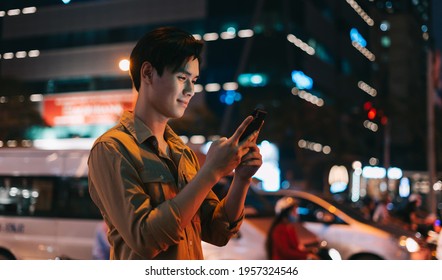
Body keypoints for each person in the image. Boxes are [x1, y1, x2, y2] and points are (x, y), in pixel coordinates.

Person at [87, 27, 263, 260]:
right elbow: (145, 239)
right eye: (182, 78)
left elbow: (217, 231)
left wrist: (242, 179)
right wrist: (211, 171)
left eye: (194, 80)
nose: (190, 90)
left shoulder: (182, 152)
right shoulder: (112, 148)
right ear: (148, 73)